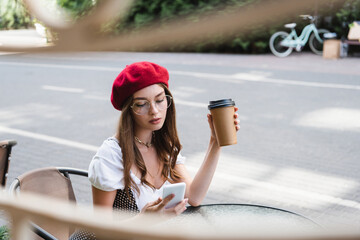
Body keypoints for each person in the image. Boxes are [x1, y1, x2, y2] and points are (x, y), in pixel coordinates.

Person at [70, 61, 240, 239]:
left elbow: (195, 197)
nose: (154, 111)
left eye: (159, 100)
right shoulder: (110, 156)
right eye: (141, 104)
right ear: (128, 110)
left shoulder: (163, 144)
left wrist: (215, 142)